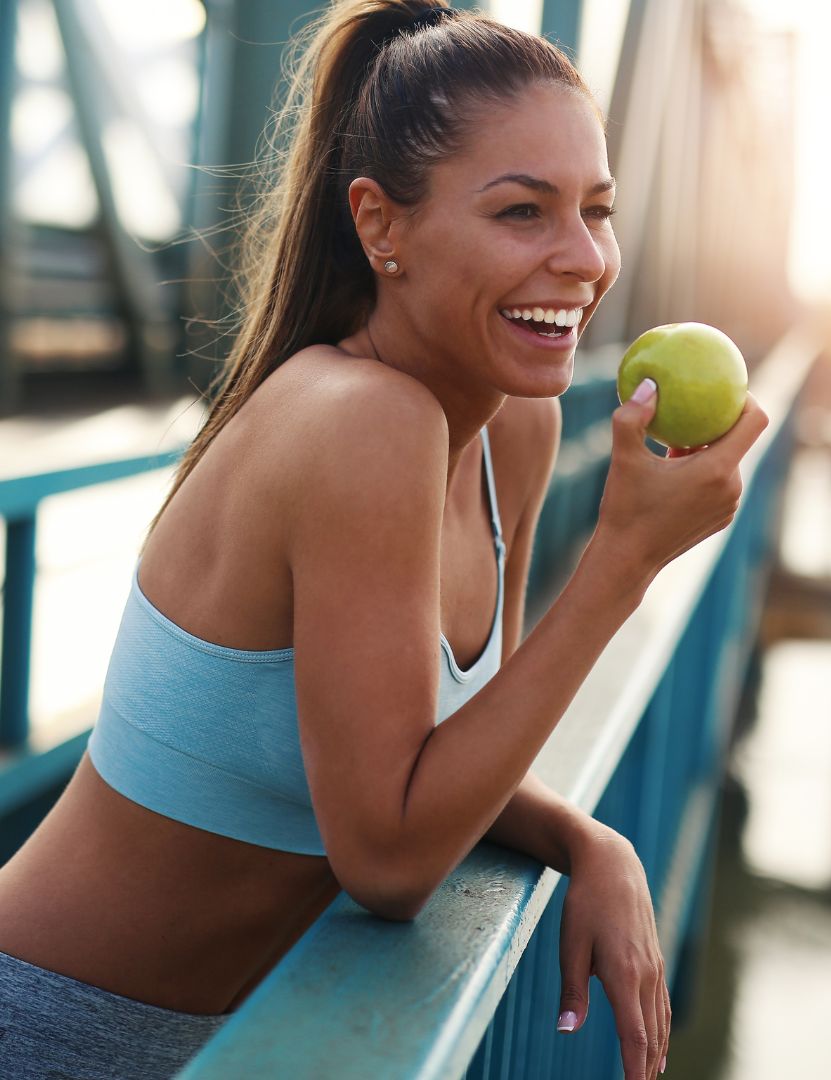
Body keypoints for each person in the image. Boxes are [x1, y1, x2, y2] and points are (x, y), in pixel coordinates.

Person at [0, 3, 767, 1078]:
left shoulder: (514, 427)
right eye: (521, 212)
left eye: (597, 210)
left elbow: (449, 756)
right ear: (380, 227)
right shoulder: (364, 420)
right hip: (54, 1031)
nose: (583, 258)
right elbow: (393, 857)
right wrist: (625, 560)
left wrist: (587, 839)